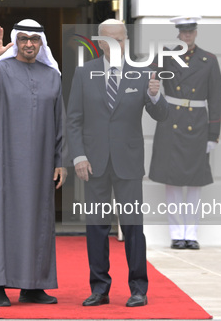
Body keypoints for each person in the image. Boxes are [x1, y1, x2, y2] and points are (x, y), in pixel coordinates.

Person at [67, 19, 168, 307]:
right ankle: (99, 288)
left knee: (133, 226)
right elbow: (73, 119)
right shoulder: (84, 73)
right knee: (96, 226)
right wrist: (79, 156)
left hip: (128, 162)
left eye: (121, 39)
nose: (116, 45)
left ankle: (138, 289)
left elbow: (161, 115)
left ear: (126, 41)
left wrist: (154, 94)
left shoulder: (142, 73)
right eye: (110, 40)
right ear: (100, 42)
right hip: (94, 163)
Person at [0, 19, 65, 307]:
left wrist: (59, 161)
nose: (28, 44)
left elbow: (59, 121)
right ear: (17, 41)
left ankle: (34, 287)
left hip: (40, 165)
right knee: (3, 221)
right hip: (5, 163)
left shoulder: (52, 75)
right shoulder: (1, 70)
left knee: (40, 222)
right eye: (23, 39)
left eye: (34, 40)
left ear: (41, 43)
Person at [149, 16, 221, 250]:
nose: (187, 35)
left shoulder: (208, 60)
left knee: (193, 183)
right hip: (170, 122)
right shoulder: (165, 56)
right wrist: (152, 90)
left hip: (197, 125)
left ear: (196, 33)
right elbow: (148, 80)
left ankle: (191, 233)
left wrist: (213, 134)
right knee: (171, 184)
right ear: (178, 33)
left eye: (191, 31)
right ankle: (176, 234)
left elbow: (216, 99)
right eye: (183, 32)